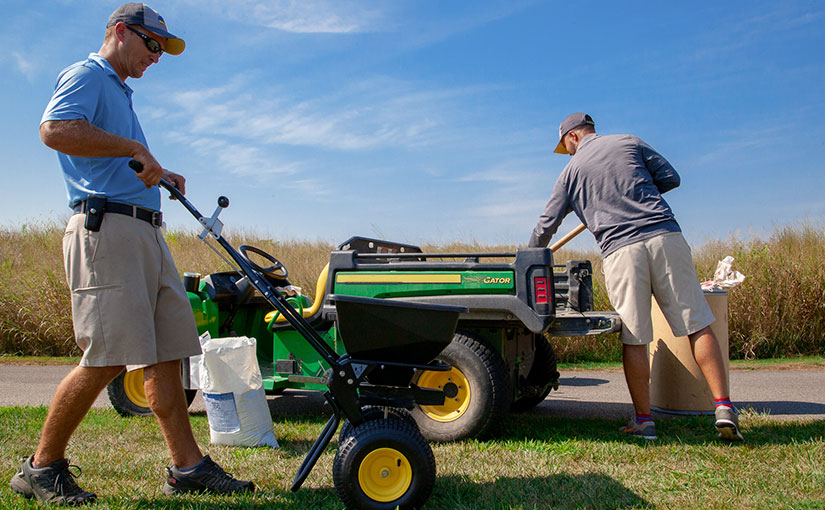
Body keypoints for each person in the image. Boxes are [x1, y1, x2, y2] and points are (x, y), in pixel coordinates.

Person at [10, 4, 254, 504]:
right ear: (121, 32)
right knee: (106, 356)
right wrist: (131, 148)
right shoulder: (89, 75)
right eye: (152, 44)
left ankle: (188, 468)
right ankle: (40, 467)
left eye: (162, 49)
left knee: (168, 352)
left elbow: (119, 160)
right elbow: (54, 130)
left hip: (145, 231)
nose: (157, 57)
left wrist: (158, 172)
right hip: (107, 232)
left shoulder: (120, 93)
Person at [529, 112, 743, 441]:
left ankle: (644, 422)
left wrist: (530, 256)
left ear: (572, 137)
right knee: (697, 323)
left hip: (621, 251)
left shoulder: (571, 172)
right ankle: (724, 407)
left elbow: (546, 226)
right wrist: (633, 194)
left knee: (635, 336)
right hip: (665, 236)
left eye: (566, 147)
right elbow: (671, 179)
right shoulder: (630, 142)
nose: (568, 153)